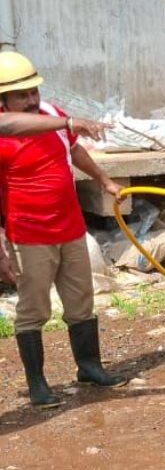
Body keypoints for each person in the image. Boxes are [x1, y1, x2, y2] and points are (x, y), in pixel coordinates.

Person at [0, 51, 127, 408]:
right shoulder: (4, 130)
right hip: (29, 234)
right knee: (33, 309)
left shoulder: (54, 116)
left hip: (70, 228)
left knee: (81, 302)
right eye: (21, 95)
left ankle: (89, 368)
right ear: (3, 99)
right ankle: (38, 384)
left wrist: (104, 180)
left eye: (33, 92)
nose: (31, 100)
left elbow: (74, 152)